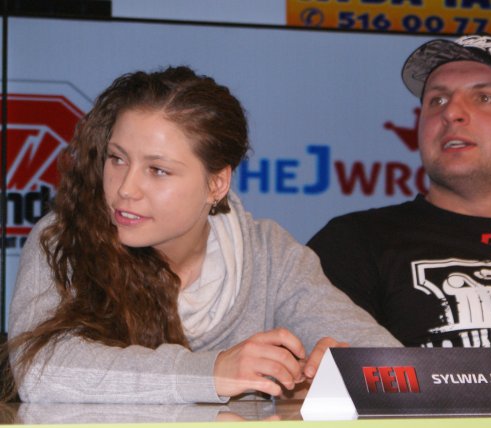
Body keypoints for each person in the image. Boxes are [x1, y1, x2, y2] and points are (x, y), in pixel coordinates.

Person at [3, 66, 400, 404]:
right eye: (117, 158)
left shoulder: (269, 254)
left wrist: (347, 372)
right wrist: (212, 372)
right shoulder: (64, 238)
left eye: (158, 170)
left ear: (216, 184)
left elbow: (399, 367)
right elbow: (39, 371)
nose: (125, 188)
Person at [308, 35, 491, 391]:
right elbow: (327, 384)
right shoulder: (354, 242)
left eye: (485, 97)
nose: (451, 113)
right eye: (437, 100)